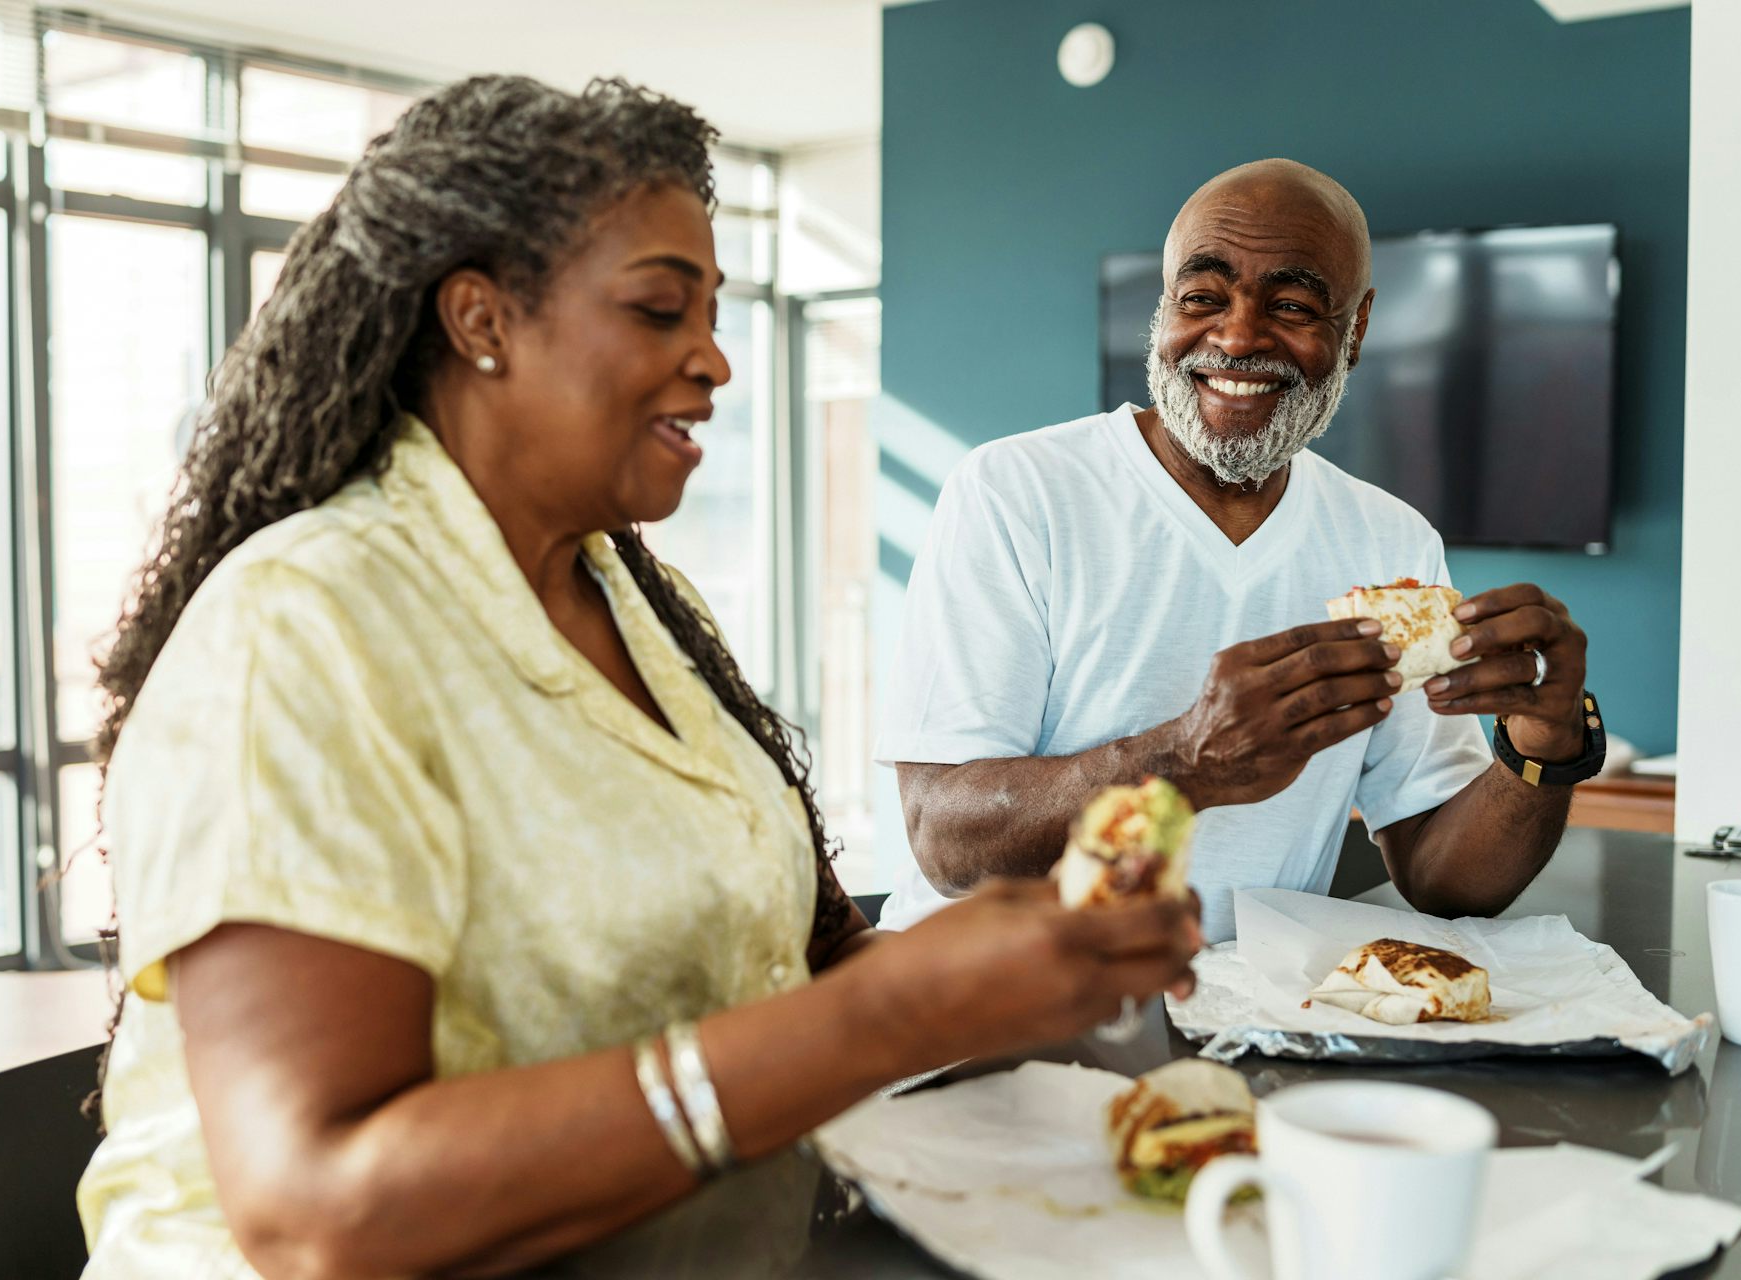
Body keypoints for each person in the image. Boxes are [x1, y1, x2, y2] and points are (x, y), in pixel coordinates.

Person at [73, 75, 1201, 1279]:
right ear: (481, 320)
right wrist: (885, 1014)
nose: (714, 360)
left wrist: (1016, 963)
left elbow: (780, 990)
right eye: (661, 309)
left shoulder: (644, 608)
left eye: (711, 312)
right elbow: (320, 1210)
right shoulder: (300, 628)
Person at [878, 159, 1600, 941]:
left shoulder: (1391, 541)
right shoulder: (1017, 492)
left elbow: (1444, 875)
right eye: (1202, 298)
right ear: (1163, 314)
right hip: (988, 1019)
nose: (1238, 336)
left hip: (1247, 1024)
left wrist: (1541, 746)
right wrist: (1184, 761)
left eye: (1290, 304)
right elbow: (945, 841)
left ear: (1354, 331)